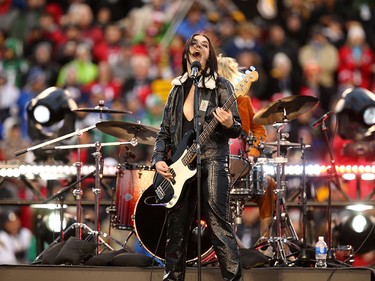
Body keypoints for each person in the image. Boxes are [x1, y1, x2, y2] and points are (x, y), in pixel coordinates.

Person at [151, 33, 243, 281]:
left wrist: (229, 122)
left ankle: (233, 279)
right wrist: (159, 158)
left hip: (213, 161)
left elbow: (237, 129)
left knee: (217, 224)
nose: (199, 47)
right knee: (176, 227)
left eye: (205, 45)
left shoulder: (222, 86)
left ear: (210, 56)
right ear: (186, 53)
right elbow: (164, 132)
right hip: (180, 167)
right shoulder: (176, 90)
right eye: (194, 43)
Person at [217, 55, 276, 243]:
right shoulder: (204, 103)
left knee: (269, 184)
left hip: (241, 164)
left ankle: (265, 239)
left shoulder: (243, 101)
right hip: (214, 165)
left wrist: (252, 153)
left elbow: (258, 129)